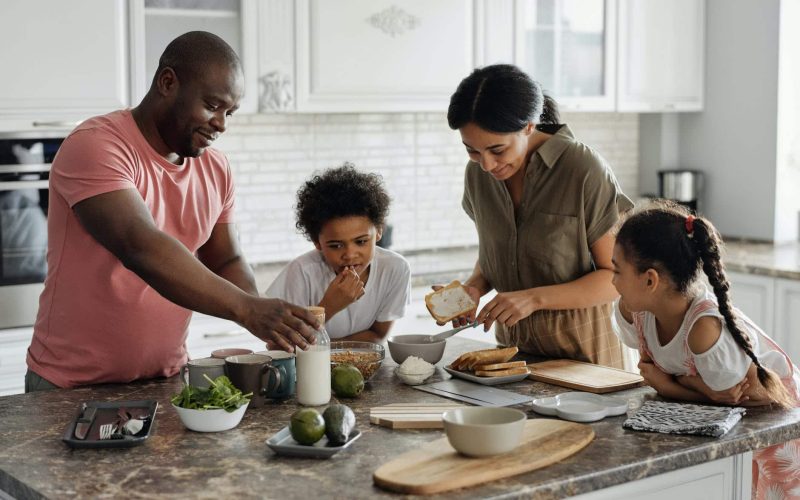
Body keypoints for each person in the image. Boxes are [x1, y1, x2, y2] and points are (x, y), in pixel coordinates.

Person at [25, 31, 319, 391]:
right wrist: (246, 309)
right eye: (212, 106)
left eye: (230, 112)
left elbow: (226, 258)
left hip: (166, 380)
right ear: (167, 82)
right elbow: (140, 246)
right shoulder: (96, 145)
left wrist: (264, 318)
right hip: (70, 386)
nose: (222, 124)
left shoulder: (216, 168)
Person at [442, 64, 633, 368]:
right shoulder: (477, 176)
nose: (487, 165)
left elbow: (618, 278)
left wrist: (533, 299)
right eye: (473, 151)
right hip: (513, 360)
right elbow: (499, 255)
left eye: (497, 150)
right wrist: (474, 288)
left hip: (587, 361)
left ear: (529, 126)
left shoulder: (582, 169)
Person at [611, 200, 799, 498]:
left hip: (775, 423)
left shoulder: (703, 330)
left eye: (617, 271)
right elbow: (712, 395)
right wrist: (695, 387)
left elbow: (743, 400)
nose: (612, 281)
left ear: (650, 280)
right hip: (724, 421)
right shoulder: (636, 311)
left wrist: (674, 388)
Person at [266, 164, 410, 342]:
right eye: (335, 245)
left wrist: (326, 349)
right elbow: (281, 345)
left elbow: (377, 335)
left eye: (361, 241)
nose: (350, 254)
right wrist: (329, 306)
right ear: (317, 242)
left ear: (379, 231)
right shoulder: (302, 272)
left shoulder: (395, 268)